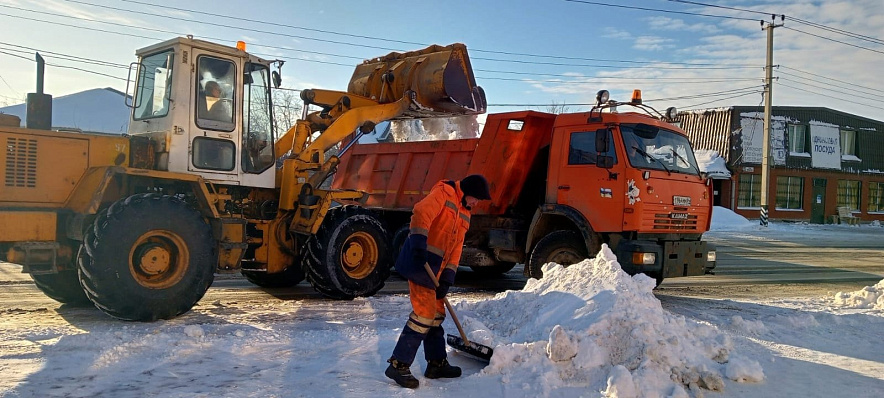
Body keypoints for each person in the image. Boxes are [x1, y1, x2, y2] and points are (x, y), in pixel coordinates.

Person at [384, 174, 492, 389]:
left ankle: (436, 364)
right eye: (476, 199)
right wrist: (418, 243)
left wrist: (448, 278)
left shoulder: (465, 213)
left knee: (436, 315)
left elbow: (456, 248)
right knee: (424, 315)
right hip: (420, 263)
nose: (476, 203)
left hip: (437, 271)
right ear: (468, 191)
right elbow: (421, 213)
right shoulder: (445, 192)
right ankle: (398, 364)